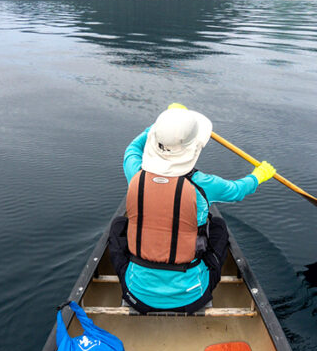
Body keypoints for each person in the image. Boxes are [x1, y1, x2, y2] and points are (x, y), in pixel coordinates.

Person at [108, 104, 276, 314]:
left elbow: (132, 149)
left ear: (154, 141)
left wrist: (159, 127)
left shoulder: (135, 173)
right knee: (218, 227)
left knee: (118, 226)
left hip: (137, 295)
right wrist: (258, 176)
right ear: (194, 147)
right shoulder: (203, 184)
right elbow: (237, 191)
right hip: (193, 297)